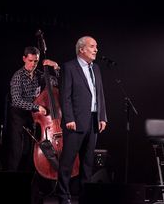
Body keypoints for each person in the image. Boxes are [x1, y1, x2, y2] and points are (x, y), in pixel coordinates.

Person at [3, 46, 60, 204]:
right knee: (17, 154)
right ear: (24, 59)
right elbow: (16, 100)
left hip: (33, 119)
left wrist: (55, 67)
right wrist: (37, 107)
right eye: (30, 61)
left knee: (31, 157)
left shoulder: (40, 76)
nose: (33, 64)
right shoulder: (17, 76)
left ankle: (31, 195)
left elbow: (55, 84)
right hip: (18, 118)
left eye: (36, 62)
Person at [57, 36, 108, 204]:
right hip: (76, 122)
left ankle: (84, 197)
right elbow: (65, 96)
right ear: (82, 49)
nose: (96, 49)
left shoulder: (96, 69)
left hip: (93, 122)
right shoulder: (69, 67)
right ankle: (64, 197)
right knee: (68, 163)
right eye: (92, 46)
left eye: (96, 46)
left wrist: (102, 117)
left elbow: (99, 94)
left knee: (87, 163)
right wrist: (69, 118)